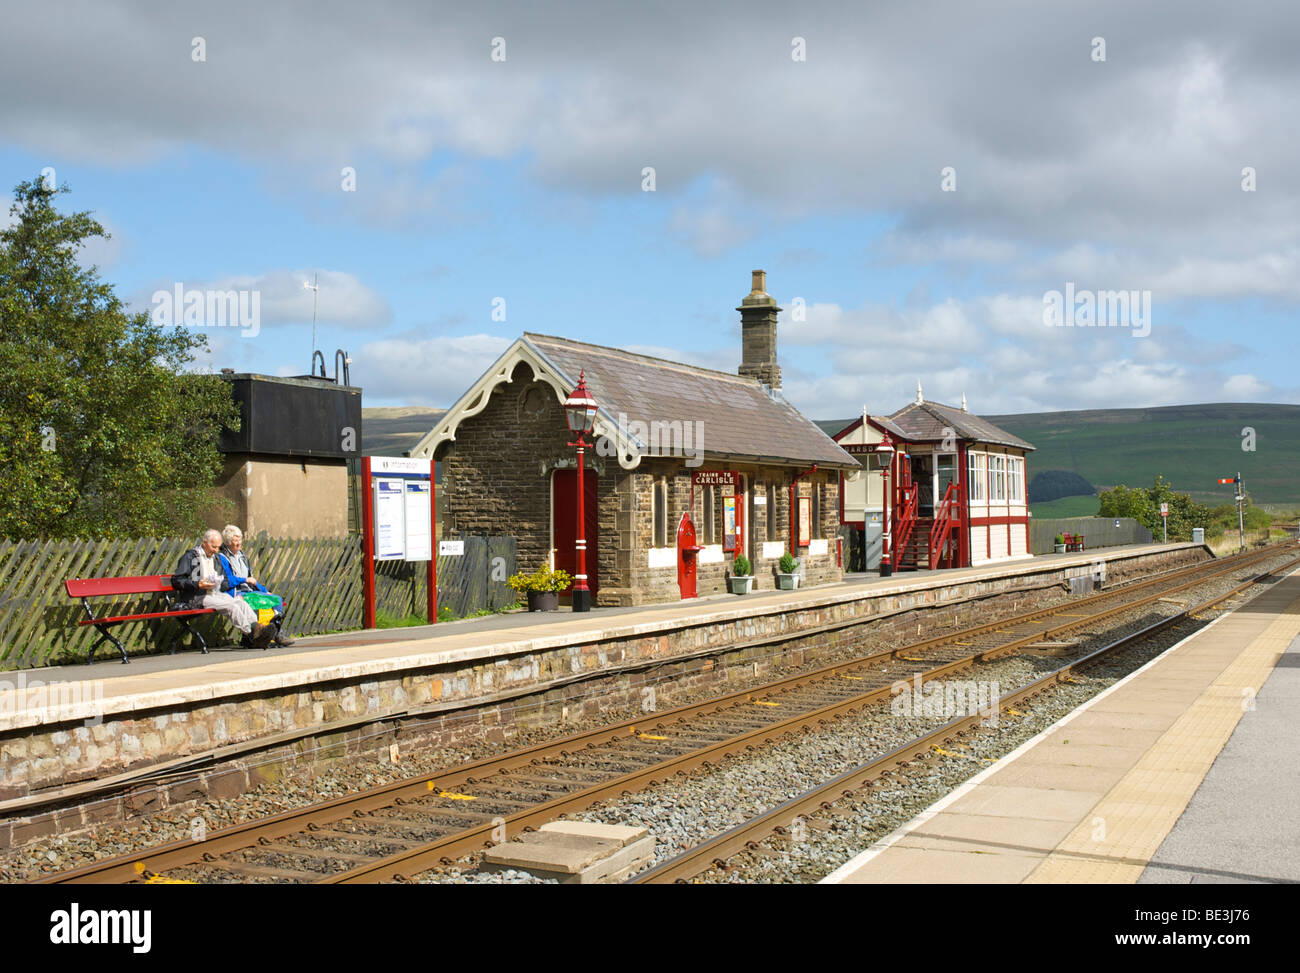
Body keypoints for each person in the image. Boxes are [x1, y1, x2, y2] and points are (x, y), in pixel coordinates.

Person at [172, 529, 276, 648]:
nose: (216, 550)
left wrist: (219, 581)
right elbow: (177, 580)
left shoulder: (215, 558)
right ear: (204, 543)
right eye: (213, 547)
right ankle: (252, 634)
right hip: (198, 596)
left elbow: (224, 580)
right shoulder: (191, 557)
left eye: (218, 547)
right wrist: (198, 584)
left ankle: (257, 628)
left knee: (241, 603)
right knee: (231, 607)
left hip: (215, 593)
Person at [217, 524, 295, 647]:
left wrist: (265, 590)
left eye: (240, 539)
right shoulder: (222, 558)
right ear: (227, 542)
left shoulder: (243, 557)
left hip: (249, 591)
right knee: (254, 603)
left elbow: (252, 580)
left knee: (276, 599)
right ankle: (259, 635)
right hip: (235, 592)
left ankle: (276, 632)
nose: (239, 543)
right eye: (235, 540)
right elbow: (225, 581)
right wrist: (244, 579)